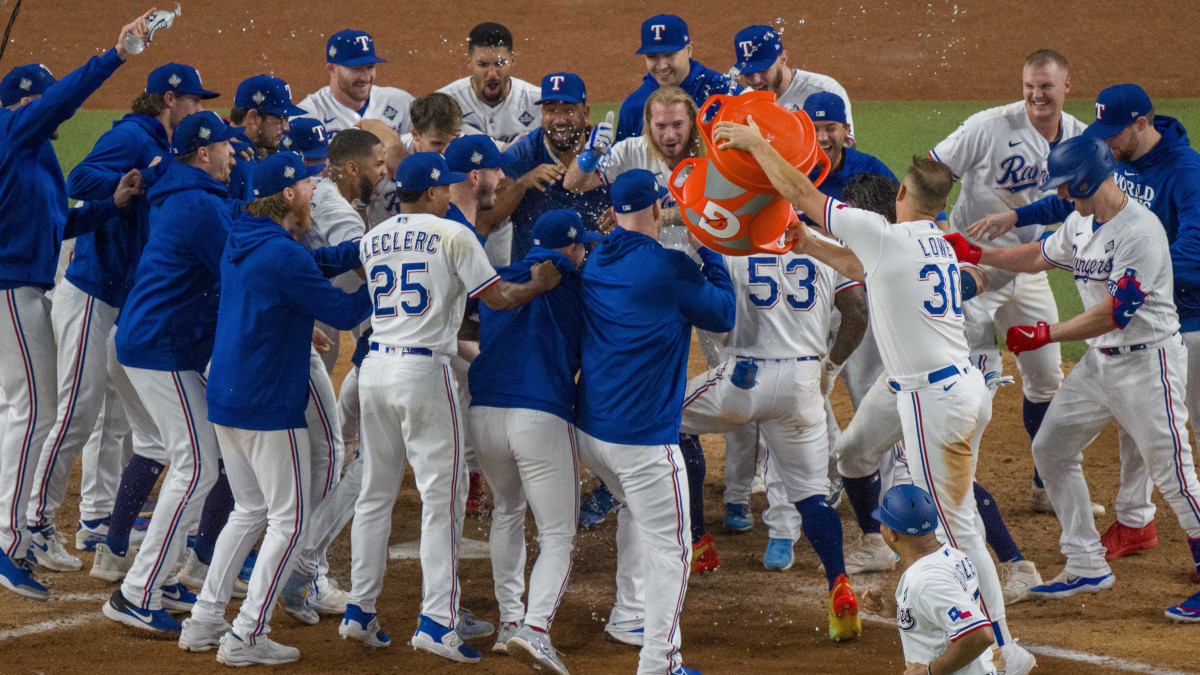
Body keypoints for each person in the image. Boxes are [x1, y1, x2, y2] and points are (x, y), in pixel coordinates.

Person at [712, 117, 1036, 674]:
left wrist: (755, 143)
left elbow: (801, 192)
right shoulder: (928, 240)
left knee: (959, 525)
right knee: (858, 455)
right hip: (940, 386)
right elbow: (864, 269)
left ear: (902, 194)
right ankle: (883, 544)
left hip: (937, 400)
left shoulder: (885, 233)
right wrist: (810, 244)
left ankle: (1006, 648)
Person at [946, 135, 1200, 623]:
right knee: (1052, 447)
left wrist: (1046, 332)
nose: (1061, 196)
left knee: (1174, 475)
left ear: (1086, 179)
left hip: (1149, 366)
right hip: (1100, 363)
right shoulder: (1082, 222)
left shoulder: (1139, 232)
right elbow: (1039, 254)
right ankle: (1085, 560)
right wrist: (978, 255)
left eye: (1066, 186)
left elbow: (1117, 312)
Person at [343, 152, 560, 663]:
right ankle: (437, 621)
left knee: (375, 493)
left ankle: (359, 609)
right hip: (422, 370)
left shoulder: (374, 237)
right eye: (444, 189)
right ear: (437, 192)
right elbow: (499, 297)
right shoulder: (452, 235)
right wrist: (539, 285)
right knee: (442, 494)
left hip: (374, 368)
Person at [178, 152, 369, 665]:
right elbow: (346, 310)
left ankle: (203, 621)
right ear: (287, 194)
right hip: (266, 404)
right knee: (288, 520)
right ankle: (246, 635)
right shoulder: (283, 256)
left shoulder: (246, 237)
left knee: (250, 510)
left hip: (227, 398)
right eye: (308, 184)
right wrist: (388, 274)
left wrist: (365, 249)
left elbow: (308, 264)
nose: (313, 190)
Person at [24, 63, 215, 574]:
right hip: (91, 290)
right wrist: (134, 180)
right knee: (77, 410)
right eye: (194, 100)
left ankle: (95, 516)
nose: (199, 108)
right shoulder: (133, 134)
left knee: (113, 419)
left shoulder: (160, 140)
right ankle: (33, 521)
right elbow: (81, 177)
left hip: (121, 296)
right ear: (170, 99)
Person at [0, 8, 155, 602]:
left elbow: (61, 220)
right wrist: (116, 55)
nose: (55, 116)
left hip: (25, 288)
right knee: (35, 409)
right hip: (10, 290)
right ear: (26, 105)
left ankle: (23, 530)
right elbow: (61, 100)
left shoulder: (32, 156)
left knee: (31, 409)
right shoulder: (15, 133)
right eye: (43, 106)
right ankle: (12, 535)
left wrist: (112, 204)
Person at [677, 207, 867, 641]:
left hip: (743, 375)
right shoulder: (824, 246)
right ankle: (839, 585)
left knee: (670, 420)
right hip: (803, 383)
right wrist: (831, 366)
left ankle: (699, 540)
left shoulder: (733, 243)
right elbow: (857, 311)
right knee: (812, 497)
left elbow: (710, 308)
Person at [575, 169, 735, 674]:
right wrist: (708, 247)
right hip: (642, 442)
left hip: (590, 434)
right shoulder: (671, 268)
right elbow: (724, 314)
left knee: (632, 509)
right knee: (674, 550)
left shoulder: (597, 258)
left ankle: (629, 615)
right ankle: (660, 663)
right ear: (656, 208)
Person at [930, 49, 1091, 516]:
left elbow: (1075, 203)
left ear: (1066, 87)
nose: (1036, 95)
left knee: (1045, 379)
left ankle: (1047, 487)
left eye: (1046, 87)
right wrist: (946, 238)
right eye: (1029, 86)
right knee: (971, 388)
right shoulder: (989, 127)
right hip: (972, 275)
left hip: (1030, 268)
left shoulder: (1079, 137)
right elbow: (930, 173)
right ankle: (962, 494)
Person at [100, 112, 240, 633]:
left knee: (197, 457)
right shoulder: (201, 204)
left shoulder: (183, 192)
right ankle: (137, 592)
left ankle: (160, 577)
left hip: (150, 341)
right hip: (160, 348)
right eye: (227, 146)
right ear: (203, 153)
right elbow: (238, 266)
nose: (235, 153)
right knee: (198, 464)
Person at [468, 209, 597, 674]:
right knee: (558, 533)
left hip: (484, 411)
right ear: (568, 247)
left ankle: (509, 621)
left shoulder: (497, 277)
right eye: (582, 244)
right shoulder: (567, 274)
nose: (585, 251)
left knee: (506, 510)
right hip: (540, 414)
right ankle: (536, 630)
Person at [861, 484, 998, 675]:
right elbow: (943, 613)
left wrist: (930, 671)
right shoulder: (952, 556)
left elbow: (980, 635)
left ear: (892, 534)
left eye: (883, 523)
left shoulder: (925, 581)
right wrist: (901, 610)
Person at [480, 72, 609, 262]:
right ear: (542, 113)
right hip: (536, 277)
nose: (559, 120)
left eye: (569, 110)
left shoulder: (606, 150)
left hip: (595, 273)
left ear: (585, 113)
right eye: (551, 110)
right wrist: (522, 184)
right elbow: (488, 217)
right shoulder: (523, 154)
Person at [615, 14, 743, 142]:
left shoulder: (725, 91)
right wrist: (596, 155)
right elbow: (623, 160)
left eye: (669, 55)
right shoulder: (633, 108)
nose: (662, 66)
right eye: (652, 56)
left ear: (689, 50)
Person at [732, 24, 854, 138]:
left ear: (783, 59)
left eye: (763, 70)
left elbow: (844, 150)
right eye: (748, 74)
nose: (756, 80)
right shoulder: (745, 102)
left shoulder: (825, 90)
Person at [368, 92, 466, 227]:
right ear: (416, 134)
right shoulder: (386, 159)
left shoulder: (466, 148)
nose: (446, 151)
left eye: (453, 141)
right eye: (437, 143)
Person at [296, 28, 414, 136]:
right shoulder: (309, 116)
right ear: (332, 69)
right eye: (356, 69)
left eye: (370, 67)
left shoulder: (401, 102)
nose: (366, 77)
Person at [438, 22, 541, 144]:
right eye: (483, 65)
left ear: (512, 61)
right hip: (472, 162)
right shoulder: (445, 102)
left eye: (500, 64)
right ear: (469, 62)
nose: (492, 73)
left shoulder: (538, 101)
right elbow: (418, 141)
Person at [227, 75, 308, 201]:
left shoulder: (221, 142)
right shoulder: (243, 163)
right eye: (280, 119)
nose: (286, 128)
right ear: (253, 117)